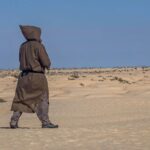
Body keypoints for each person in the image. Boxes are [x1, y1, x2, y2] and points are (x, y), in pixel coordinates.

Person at [10, 25, 58, 129]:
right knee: (43, 98)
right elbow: (46, 62)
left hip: (23, 77)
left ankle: (14, 120)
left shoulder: (22, 46)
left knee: (21, 99)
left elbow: (20, 60)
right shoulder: (38, 46)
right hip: (37, 77)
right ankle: (45, 122)